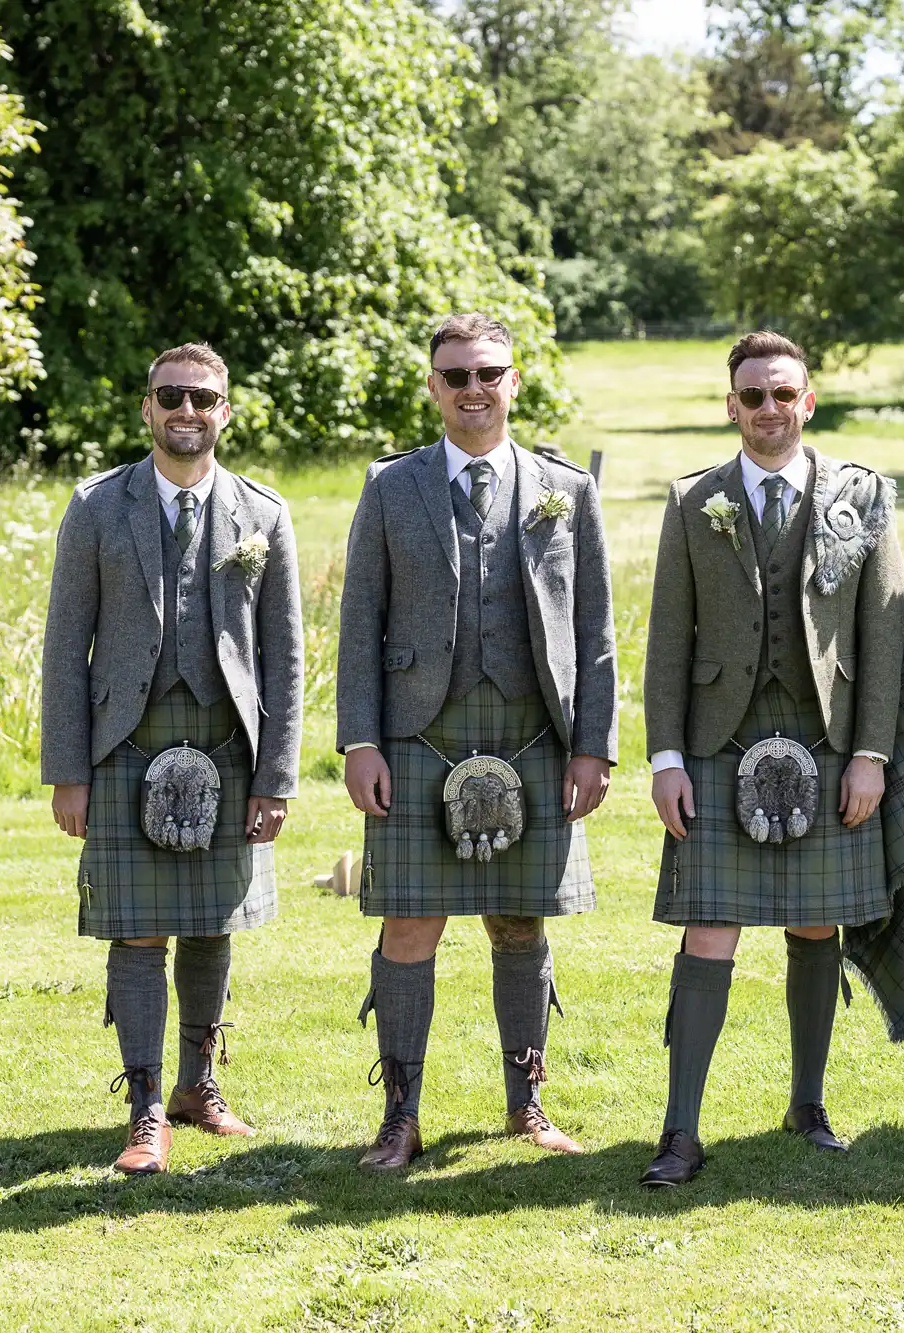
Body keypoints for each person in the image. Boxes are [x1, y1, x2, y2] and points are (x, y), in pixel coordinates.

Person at [639, 330, 904, 1188]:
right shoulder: (693, 499)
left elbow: (887, 634)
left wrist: (874, 756)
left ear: (807, 401)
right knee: (711, 928)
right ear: (730, 405)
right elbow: (668, 640)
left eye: (783, 394)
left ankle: (807, 1105)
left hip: (830, 742)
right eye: (752, 396)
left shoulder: (863, 494)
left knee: (817, 922)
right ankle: (680, 1130)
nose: (768, 409)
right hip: (717, 743)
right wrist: (666, 757)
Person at [338, 313, 616, 1171]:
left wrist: (593, 745)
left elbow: (596, 629)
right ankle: (401, 1115)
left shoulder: (565, 488)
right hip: (420, 730)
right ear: (433, 386)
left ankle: (527, 1104)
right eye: (455, 375)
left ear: (514, 381)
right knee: (409, 923)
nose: (473, 389)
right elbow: (360, 624)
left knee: (520, 923)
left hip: (535, 729)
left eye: (488, 373)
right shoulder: (392, 487)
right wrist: (360, 740)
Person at [42, 341, 304, 1174]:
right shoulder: (95, 507)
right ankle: (146, 1105)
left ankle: (200, 1084)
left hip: (231, 746)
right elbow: (63, 648)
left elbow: (286, 658)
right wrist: (68, 770)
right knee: (138, 928)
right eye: (171, 397)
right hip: (125, 742)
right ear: (147, 409)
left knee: (213, 923)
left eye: (202, 397)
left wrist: (278, 777)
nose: (186, 411)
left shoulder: (264, 514)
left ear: (226, 410)